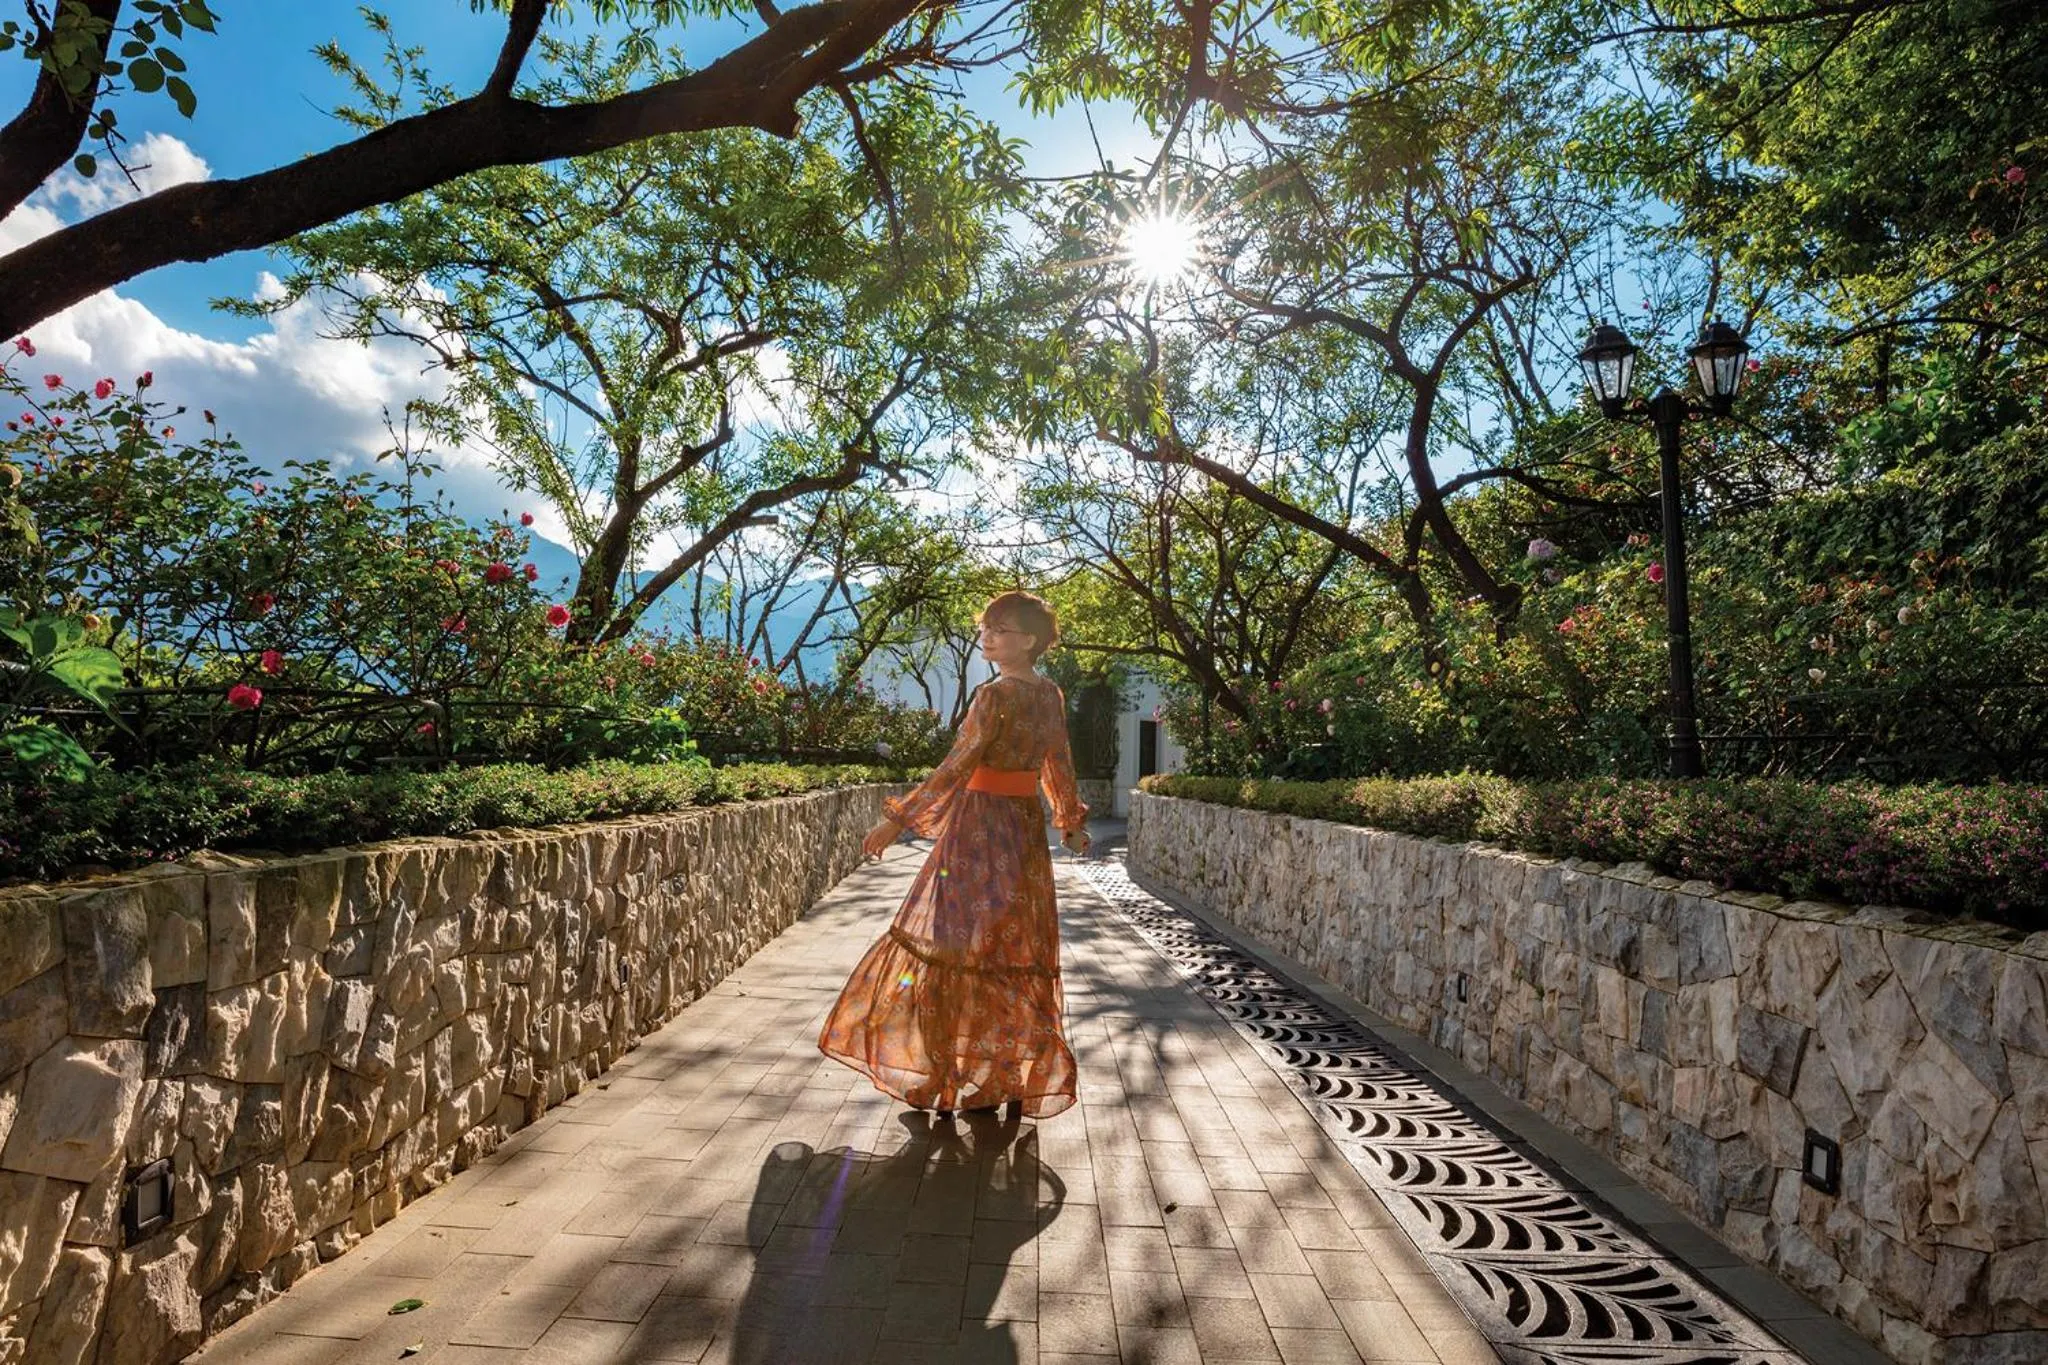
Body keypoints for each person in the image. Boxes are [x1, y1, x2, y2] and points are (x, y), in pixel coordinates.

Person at [817, 590, 1091, 1121]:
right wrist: (1069, 822)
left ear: (1029, 640)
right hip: (1023, 833)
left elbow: (957, 765)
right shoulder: (1050, 695)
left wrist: (897, 819)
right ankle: (1005, 1077)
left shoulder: (994, 696)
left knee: (952, 948)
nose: (987, 636)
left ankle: (941, 1080)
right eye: (985, 628)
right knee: (1009, 952)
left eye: (1000, 629)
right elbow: (1059, 764)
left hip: (978, 833)